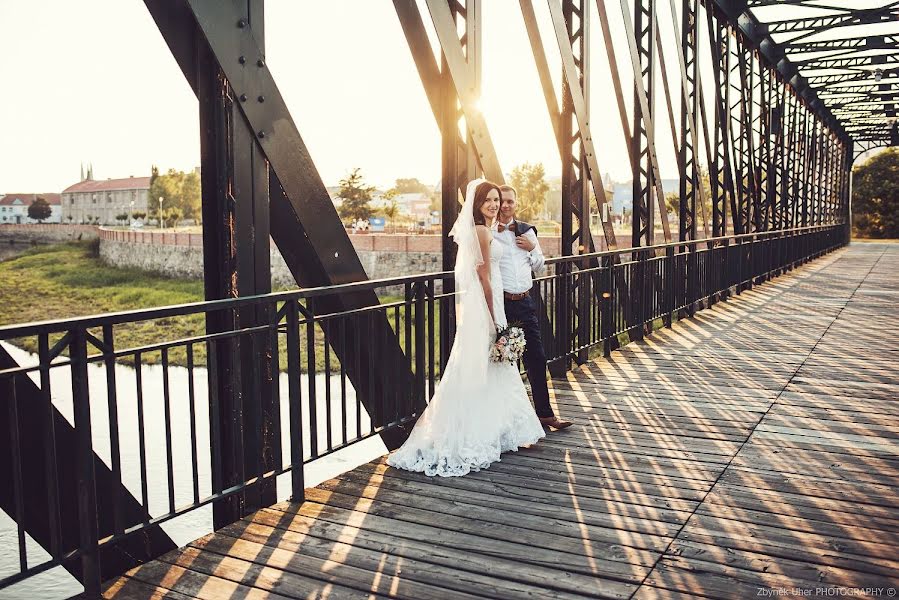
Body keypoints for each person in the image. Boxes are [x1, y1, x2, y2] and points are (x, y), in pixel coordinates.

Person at [387, 179, 545, 477]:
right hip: (487, 303)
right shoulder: (482, 231)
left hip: (489, 300)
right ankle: (480, 431)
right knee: (485, 364)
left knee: (483, 365)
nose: (495, 204)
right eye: (489, 200)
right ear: (477, 203)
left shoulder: (484, 230)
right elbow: (484, 277)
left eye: (498, 200)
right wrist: (494, 318)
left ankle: (493, 429)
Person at [494, 185, 573, 430]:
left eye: (510, 201)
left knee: (537, 359)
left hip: (525, 303)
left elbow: (540, 265)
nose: (505, 206)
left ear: (516, 204)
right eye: (501, 201)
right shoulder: (488, 233)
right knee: (506, 363)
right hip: (502, 305)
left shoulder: (528, 231)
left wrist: (531, 250)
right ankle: (509, 422)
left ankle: (545, 415)